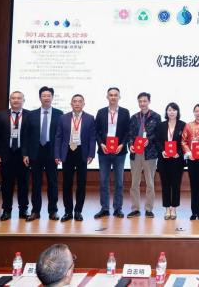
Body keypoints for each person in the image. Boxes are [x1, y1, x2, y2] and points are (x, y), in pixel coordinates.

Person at [23, 86, 63, 221]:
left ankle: (53, 211)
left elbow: (61, 136)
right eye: (44, 96)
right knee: (36, 183)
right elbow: (26, 136)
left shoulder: (59, 114)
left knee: (53, 183)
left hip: (52, 153)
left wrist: (59, 154)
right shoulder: (31, 115)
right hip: (35, 153)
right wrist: (25, 154)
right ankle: (35, 211)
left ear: (52, 97)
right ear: (40, 98)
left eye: (48, 96)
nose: (46, 98)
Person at [54, 94, 96, 222]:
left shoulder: (90, 118)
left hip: (82, 152)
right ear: (71, 104)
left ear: (83, 104)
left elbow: (92, 137)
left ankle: (78, 211)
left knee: (81, 184)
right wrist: (57, 154)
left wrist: (91, 154)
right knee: (67, 184)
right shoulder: (63, 118)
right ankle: (68, 212)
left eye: (79, 101)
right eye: (75, 101)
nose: (77, 103)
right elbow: (58, 137)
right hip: (67, 152)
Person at [94, 87, 130, 219]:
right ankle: (104, 208)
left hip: (119, 152)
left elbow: (128, 131)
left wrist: (122, 144)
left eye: (115, 95)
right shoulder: (101, 112)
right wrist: (101, 144)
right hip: (104, 151)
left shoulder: (125, 112)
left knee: (119, 182)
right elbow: (96, 131)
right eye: (111, 95)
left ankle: (118, 208)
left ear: (119, 97)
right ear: (107, 97)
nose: (113, 97)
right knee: (103, 181)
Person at [0, 91, 30, 221]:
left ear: (23, 100)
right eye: (13, 98)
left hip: (23, 155)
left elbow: (31, 137)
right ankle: (6, 210)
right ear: (10, 100)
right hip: (6, 154)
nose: (16, 100)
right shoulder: (0, 115)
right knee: (6, 184)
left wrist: (28, 154)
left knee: (24, 184)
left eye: (19, 98)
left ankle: (23, 210)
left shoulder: (30, 115)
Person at [127, 92, 162, 219]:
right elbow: (130, 134)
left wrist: (149, 139)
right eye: (140, 101)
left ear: (149, 101)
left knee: (150, 183)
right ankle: (135, 209)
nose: (142, 103)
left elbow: (158, 134)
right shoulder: (134, 117)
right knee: (134, 183)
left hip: (150, 153)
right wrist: (130, 144)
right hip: (136, 153)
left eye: (145, 101)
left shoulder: (156, 116)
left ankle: (148, 209)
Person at [155, 102, 186, 220]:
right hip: (164, 159)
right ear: (166, 112)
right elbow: (157, 141)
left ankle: (174, 208)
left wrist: (179, 152)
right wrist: (162, 151)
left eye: (174, 110)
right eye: (169, 110)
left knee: (176, 185)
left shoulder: (183, 125)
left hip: (177, 160)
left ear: (177, 112)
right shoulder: (161, 125)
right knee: (165, 185)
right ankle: (167, 208)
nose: (171, 112)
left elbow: (185, 142)